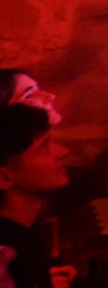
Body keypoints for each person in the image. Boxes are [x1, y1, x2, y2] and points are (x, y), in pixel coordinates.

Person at [0, 104, 74, 288]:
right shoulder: (5, 254)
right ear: (4, 177)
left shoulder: (24, 231)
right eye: (45, 146)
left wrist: (42, 278)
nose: (63, 152)